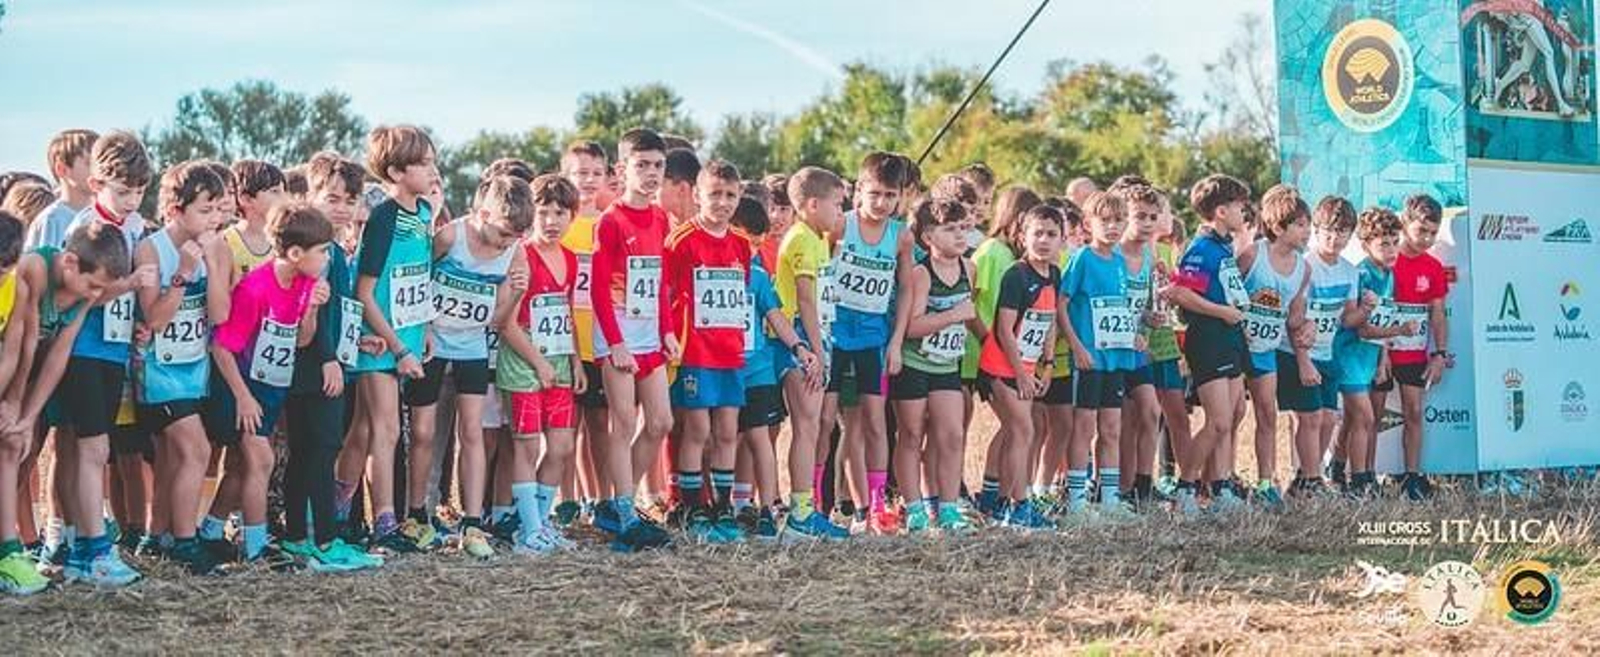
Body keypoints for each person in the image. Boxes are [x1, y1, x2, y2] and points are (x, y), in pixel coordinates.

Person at [403, 174, 530, 557]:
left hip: (472, 346)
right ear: (482, 212)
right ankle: (416, 515)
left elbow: (499, 320)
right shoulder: (448, 237)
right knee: (423, 433)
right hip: (432, 343)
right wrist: (421, 326)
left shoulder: (515, 253)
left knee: (471, 431)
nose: (508, 242)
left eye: (516, 237)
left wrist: (517, 291)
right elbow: (416, 279)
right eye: (504, 232)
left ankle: (472, 523)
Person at [56, 131, 159, 584]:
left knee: (100, 451)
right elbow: (80, 295)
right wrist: (131, 283)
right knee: (92, 448)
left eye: (139, 191)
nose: (132, 200)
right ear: (97, 183)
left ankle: (84, 549)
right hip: (83, 349)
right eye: (123, 191)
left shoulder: (136, 225)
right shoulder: (84, 227)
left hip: (115, 350)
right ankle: (94, 549)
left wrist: (140, 313)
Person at [204, 202, 332, 563]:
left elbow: (302, 340)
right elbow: (222, 348)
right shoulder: (255, 289)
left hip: (271, 386)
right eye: (322, 252)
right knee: (260, 460)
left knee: (242, 467)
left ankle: (211, 530)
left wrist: (312, 310)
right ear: (294, 253)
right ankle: (257, 547)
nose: (326, 259)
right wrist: (243, 398)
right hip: (242, 385)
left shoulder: (307, 282)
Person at [4, 220, 126, 590]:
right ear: (70, 262)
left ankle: (11, 550)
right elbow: (22, 345)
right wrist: (14, 403)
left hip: (36, 376)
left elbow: (58, 354)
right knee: (13, 452)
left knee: (16, 449)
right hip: (14, 372)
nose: (95, 294)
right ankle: (13, 547)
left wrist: (27, 417)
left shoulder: (85, 293)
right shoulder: (33, 270)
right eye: (93, 285)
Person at [280, 153, 383, 572]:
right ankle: (323, 540)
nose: (342, 207)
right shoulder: (317, 251)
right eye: (333, 197)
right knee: (320, 448)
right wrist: (327, 359)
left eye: (350, 199)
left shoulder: (336, 250)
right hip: (313, 363)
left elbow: (338, 310)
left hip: (333, 358)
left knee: (311, 450)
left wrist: (361, 339)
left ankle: (297, 538)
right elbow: (311, 313)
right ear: (311, 194)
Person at [338, 124, 438, 551]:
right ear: (396, 172)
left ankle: (335, 512)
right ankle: (385, 522)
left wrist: (424, 329)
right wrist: (398, 346)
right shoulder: (384, 218)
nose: (434, 171)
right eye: (424, 164)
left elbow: (419, 275)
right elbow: (364, 291)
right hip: (378, 339)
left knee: (363, 429)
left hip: (409, 334)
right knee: (387, 429)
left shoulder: (424, 213)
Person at [133, 162, 230, 574]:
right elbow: (153, 319)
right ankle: (186, 542)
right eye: (205, 211)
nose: (214, 219)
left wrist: (210, 265)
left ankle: (162, 536)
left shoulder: (218, 247)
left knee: (176, 458)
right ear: (176, 210)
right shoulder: (151, 248)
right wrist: (184, 273)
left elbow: (220, 313)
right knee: (197, 450)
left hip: (196, 366)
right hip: (159, 369)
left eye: (217, 210)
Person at [588, 128, 675, 549]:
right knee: (622, 422)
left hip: (649, 335)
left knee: (660, 422)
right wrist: (615, 342)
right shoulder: (611, 221)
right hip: (616, 335)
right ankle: (623, 512)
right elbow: (599, 288)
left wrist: (668, 331)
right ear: (622, 170)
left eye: (658, 165)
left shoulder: (661, 218)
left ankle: (619, 500)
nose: (652, 173)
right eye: (642, 165)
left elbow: (658, 282)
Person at [663, 159, 754, 543]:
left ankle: (722, 505)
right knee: (697, 428)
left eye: (730, 195)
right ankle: (692, 504)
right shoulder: (682, 240)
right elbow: (666, 293)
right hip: (695, 352)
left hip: (729, 353)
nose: (722, 202)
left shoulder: (741, 245)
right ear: (697, 195)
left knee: (728, 431)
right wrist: (669, 335)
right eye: (715, 194)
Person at [495, 173, 585, 554]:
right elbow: (504, 322)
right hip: (523, 359)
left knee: (562, 445)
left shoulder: (569, 258)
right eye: (543, 212)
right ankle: (527, 531)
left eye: (560, 212)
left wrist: (576, 361)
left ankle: (540, 521)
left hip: (560, 356)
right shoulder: (520, 255)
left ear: (572, 216)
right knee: (527, 447)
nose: (551, 221)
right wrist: (538, 364)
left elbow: (565, 311)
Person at [1161, 173, 1253, 515]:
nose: (1244, 212)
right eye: (1238, 206)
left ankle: (1221, 487)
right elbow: (1181, 293)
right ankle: (1185, 490)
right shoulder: (1200, 249)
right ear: (1219, 211)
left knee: (1234, 414)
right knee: (1217, 421)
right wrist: (1221, 312)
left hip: (1230, 337)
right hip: (1209, 339)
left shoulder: (1223, 245)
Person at [833, 152, 914, 534]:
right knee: (843, 426)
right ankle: (849, 506)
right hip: (836, 334)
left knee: (876, 423)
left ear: (900, 197)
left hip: (874, 339)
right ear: (858, 191)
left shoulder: (901, 236)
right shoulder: (839, 226)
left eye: (890, 195)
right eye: (875, 193)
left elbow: (907, 292)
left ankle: (879, 506)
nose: (881, 203)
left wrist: (896, 343)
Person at [890, 198, 981, 532]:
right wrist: (951, 316)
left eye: (963, 228)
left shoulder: (969, 269)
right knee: (912, 434)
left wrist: (989, 341)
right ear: (928, 236)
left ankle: (948, 507)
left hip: (947, 365)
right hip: (915, 363)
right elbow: (912, 326)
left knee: (952, 435)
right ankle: (913, 508)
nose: (959, 236)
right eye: (949, 229)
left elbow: (970, 316)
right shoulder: (920, 274)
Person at [729, 196, 817, 540]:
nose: (750, 251)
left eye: (755, 245)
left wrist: (798, 347)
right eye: (744, 241)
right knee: (721, 436)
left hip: (758, 368)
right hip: (719, 368)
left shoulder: (759, 277)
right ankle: (728, 505)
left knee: (759, 436)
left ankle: (765, 507)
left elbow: (776, 317)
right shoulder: (708, 272)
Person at [773, 166, 850, 540]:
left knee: (814, 426)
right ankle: (800, 513)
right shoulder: (802, 239)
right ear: (812, 204)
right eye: (837, 205)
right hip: (801, 342)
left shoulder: (818, 238)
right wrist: (815, 352)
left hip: (818, 338)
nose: (841, 212)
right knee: (805, 427)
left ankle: (808, 508)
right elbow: (805, 299)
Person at [1057, 192, 1144, 516]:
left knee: (1112, 427)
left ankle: (1109, 499)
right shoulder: (1082, 258)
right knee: (1084, 427)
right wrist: (1077, 346)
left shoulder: (1121, 261)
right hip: (1089, 358)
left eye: (1118, 221)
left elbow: (1118, 308)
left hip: (1116, 358)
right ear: (1089, 223)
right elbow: (1061, 304)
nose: (1112, 227)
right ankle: (1077, 502)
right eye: (1104, 221)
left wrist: (1132, 335)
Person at [979, 205, 1064, 529]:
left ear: (1062, 240)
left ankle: (999, 501)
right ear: (1022, 237)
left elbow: (1049, 321)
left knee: (1016, 432)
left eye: (1051, 234)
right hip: (1000, 367)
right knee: (1023, 429)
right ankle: (1019, 505)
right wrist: (1020, 374)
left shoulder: (1053, 274)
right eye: (1037, 233)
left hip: (1028, 367)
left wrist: (1046, 365)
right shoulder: (1017, 275)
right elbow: (1003, 330)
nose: (1043, 241)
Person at [1236, 185, 1312, 508]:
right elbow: (1225, 291)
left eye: (1308, 224)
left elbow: (1294, 318)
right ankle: (1221, 479)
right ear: (1278, 227)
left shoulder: (1303, 269)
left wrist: (1307, 327)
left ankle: (1266, 483)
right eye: (1299, 224)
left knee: (1267, 414)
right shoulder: (1253, 254)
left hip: (1266, 349)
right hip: (1236, 346)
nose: (1307, 231)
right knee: (1231, 414)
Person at [1279, 196, 1359, 497]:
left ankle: (1306, 478)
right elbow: (1295, 317)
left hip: (1328, 353)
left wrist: (1366, 310)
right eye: (1329, 231)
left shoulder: (1350, 272)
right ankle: (1312, 480)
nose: (1335, 238)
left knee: (1328, 418)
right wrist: (1303, 360)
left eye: (1343, 232)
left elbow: (1349, 318)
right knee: (1310, 418)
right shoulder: (1305, 266)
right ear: (1316, 229)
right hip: (1299, 352)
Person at [969, 186, 1042, 515]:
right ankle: (1000, 496)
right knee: (1016, 426)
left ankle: (996, 492)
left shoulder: (1016, 258)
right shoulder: (991, 252)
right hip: (981, 353)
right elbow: (970, 300)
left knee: (1015, 426)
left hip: (1013, 357)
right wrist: (988, 340)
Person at [1335, 207, 1417, 495]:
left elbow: (1384, 318)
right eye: (1384, 243)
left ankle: (1341, 469)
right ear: (1365, 244)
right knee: (1365, 418)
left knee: (1356, 420)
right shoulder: (1363, 275)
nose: (1392, 249)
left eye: (1396, 241)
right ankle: (1359, 481)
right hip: (1348, 354)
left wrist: (1384, 358)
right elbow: (1363, 328)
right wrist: (1400, 332)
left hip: (1370, 356)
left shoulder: (1389, 275)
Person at [1381, 194, 1450, 500]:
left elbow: (1437, 313)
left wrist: (1439, 354)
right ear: (1405, 223)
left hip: (1414, 354)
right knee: (1368, 417)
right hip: (1379, 351)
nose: (1427, 238)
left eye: (1433, 233)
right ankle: (1361, 476)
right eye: (1421, 230)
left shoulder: (1433, 267)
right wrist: (1381, 351)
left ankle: (1412, 477)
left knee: (1414, 412)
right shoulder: (1387, 260)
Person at [556, 141, 610, 528]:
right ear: (566, 176)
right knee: (564, 428)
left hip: (602, 342)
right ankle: (567, 500)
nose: (588, 181)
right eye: (580, 173)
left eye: (595, 173)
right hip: (564, 341)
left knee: (600, 426)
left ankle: (604, 499)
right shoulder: (560, 227)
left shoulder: (610, 224)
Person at [1110, 183, 1172, 507]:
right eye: (1139, 217)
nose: (1147, 224)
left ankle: (1143, 485)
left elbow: (1142, 306)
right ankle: (1117, 487)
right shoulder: (1111, 254)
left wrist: (1151, 316)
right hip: (1112, 350)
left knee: (1151, 411)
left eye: (1152, 217)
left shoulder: (1149, 255)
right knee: (1119, 421)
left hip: (1137, 350)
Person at [0, 212, 40, 592]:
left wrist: (12, 402)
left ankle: (9, 553)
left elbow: (16, 350)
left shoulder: (15, 286)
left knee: (11, 441)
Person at [24, 129, 98, 251]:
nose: (99, 171)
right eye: (90, 163)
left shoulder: (106, 215)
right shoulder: (51, 220)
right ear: (62, 169)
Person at [218, 160, 288, 284]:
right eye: (275, 191)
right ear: (247, 199)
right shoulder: (225, 242)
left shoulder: (287, 240)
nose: (284, 199)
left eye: (284, 191)